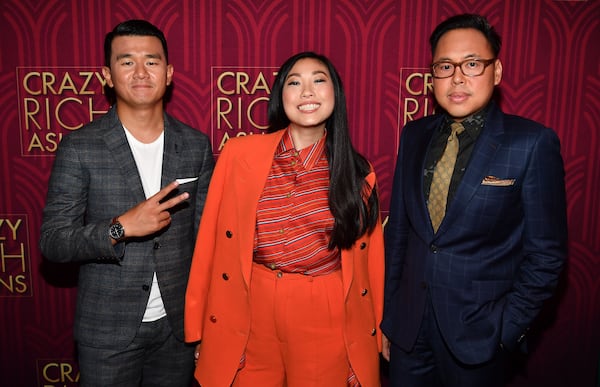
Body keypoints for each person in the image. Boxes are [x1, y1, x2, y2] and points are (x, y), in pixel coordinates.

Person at [381, 13, 567, 387]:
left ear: (496, 71)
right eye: (445, 66)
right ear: (432, 75)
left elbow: (547, 255)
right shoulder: (413, 135)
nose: (457, 78)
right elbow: (398, 234)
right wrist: (389, 318)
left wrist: (506, 327)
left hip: (479, 340)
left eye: (472, 64)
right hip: (408, 332)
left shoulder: (530, 143)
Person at [185, 51, 385, 387]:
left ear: (335, 93)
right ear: (281, 96)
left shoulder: (358, 173)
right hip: (251, 303)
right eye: (295, 82)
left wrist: (370, 338)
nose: (307, 91)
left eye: (318, 81)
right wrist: (200, 326)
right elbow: (210, 244)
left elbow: (371, 265)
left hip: (324, 308)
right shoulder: (238, 154)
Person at [39, 19, 214, 386]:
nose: (140, 72)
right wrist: (120, 228)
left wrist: (206, 324)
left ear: (168, 73)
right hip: (107, 333)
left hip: (177, 331)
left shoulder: (196, 145)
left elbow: (206, 243)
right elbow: (53, 241)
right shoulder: (79, 147)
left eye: (151, 61)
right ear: (107, 74)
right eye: (126, 61)